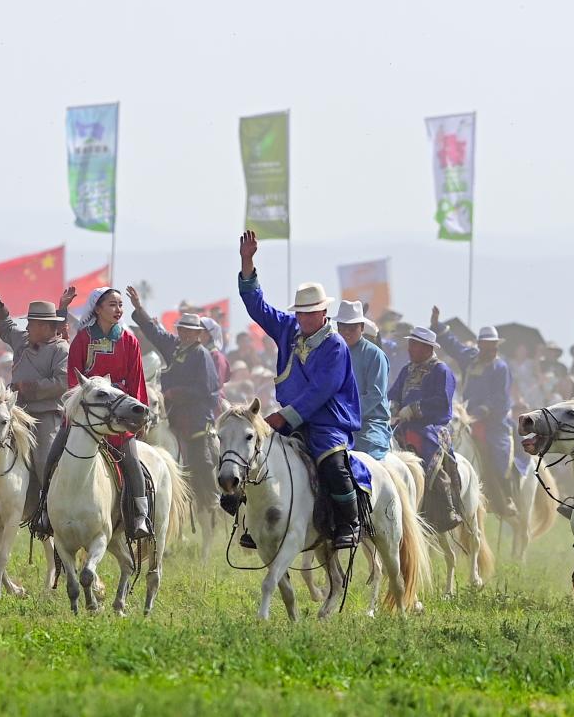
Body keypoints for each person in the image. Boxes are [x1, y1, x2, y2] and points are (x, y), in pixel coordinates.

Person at [235, 231, 361, 549]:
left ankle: (349, 523)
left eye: (310, 312)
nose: (303, 317)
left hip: (329, 422)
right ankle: (252, 521)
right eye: (300, 312)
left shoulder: (334, 346)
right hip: (293, 420)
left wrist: (283, 418)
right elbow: (258, 307)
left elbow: (321, 390)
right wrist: (247, 262)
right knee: (256, 456)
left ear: (323, 313)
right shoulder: (288, 329)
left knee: (332, 465)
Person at [31, 286, 152, 540]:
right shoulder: (83, 339)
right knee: (53, 455)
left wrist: (135, 415)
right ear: (97, 308)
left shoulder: (129, 340)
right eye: (112, 305)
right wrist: (84, 410)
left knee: (131, 462)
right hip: (87, 412)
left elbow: (136, 380)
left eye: (120, 305)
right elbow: (74, 382)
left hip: (118, 415)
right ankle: (43, 511)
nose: (118, 309)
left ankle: (140, 517)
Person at [0, 276, 73, 525]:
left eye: (32, 324)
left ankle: (46, 511)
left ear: (46, 327)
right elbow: (4, 324)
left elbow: (62, 383)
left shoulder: (61, 350)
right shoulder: (23, 341)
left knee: (45, 458)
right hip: (15, 411)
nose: (28, 328)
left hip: (45, 414)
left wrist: (29, 387)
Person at [128, 289, 220, 499]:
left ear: (198, 334)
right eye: (183, 329)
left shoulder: (201, 355)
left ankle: (210, 498)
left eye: (190, 331)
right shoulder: (174, 345)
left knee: (201, 461)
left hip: (195, 416)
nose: (186, 333)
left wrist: (175, 393)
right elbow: (154, 333)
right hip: (172, 410)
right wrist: (139, 309)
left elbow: (205, 390)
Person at [431, 308, 517, 517]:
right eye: (487, 345)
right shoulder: (469, 358)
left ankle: (506, 497)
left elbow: (500, 398)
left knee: (499, 454)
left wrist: (480, 412)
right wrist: (437, 325)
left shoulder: (500, 367)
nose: (491, 349)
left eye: (494, 346)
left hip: (493, 421)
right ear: (480, 345)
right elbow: (452, 344)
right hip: (465, 415)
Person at [389, 326, 463, 532]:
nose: (410, 349)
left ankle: (447, 504)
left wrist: (413, 409)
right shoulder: (407, 369)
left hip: (431, 425)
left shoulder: (441, 370)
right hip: (403, 424)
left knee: (430, 455)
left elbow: (442, 402)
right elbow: (394, 392)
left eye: (414, 345)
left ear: (427, 348)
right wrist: (393, 406)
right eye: (410, 344)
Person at [332, 300, 391, 461]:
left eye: (352, 328)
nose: (347, 333)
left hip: (370, 422)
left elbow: (375, 394)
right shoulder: (332, 353)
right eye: (343, 328)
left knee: (368, 458)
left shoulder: (375, 355)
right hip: (338, 420)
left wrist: (346, 413)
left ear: (362, 328)